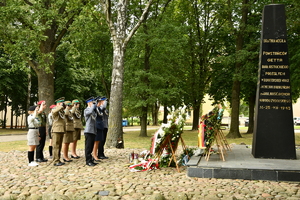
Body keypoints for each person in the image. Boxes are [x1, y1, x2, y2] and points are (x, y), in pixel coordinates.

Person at [52, 97, 66, 166]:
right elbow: (54, 112)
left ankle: (58, 159)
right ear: (58, 104)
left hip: (61, 129)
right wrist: (60, 106)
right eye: (61, 103)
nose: (63, 104)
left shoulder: (61, 111)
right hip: (56, 130)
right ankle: (55, 160)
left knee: (59, 145)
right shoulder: (55, 109)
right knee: (56, 145)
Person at [84, 97, 98, 166]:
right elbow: (89, 112)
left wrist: (95, 106)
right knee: (88, 147)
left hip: (93, 131)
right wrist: (92, 106)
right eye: (92, 103)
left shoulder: (93, 110)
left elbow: (96, 115)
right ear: (89, 103)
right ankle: (88, 161)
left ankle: (91, 159)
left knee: (91, 146)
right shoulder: (86, 110)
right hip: (88, 131)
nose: (93, 104)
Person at [92, 97, 104, 162]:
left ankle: (95, 154)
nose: (100, 103)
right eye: (99, 102)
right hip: (96, 126)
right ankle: (94, 155)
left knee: (98, 141)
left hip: (100, 126)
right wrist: (94, 104)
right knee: (96, 142)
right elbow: (93, 109)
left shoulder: (99, 109)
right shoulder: (95, 108)